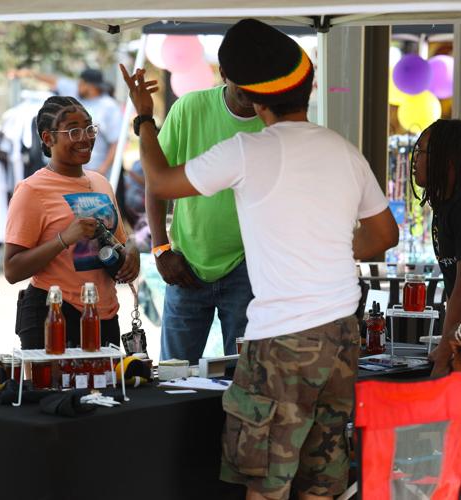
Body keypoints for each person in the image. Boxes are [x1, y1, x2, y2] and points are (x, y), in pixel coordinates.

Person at [121, 18, 398, 500]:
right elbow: (383, 235)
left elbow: (161, 182)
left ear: (250, 97)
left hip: (282, 341)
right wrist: (327, 251)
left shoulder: (250, 151)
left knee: (266, 484)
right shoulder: (343, 149)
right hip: (341, 335)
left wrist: (144, 117)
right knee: (322, 484)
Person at [147, 48, 265, 365]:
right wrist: (160, 248)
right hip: (186, 262)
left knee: (244, 376)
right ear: (224, 74)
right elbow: (155, 181)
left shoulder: (274, 122)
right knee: (174, 374)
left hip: (248, 268)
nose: (250, 90)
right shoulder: (190, 108)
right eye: (242, 80)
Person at [4, 96, 139, 350]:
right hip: (54, 315)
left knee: (105, 389)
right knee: (56, 391)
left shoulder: (100, 182)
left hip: (105, 316)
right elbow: (12, 270)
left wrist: (131, 250)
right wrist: (64, 238)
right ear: (48, 138)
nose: (85, 138)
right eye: (73, 131)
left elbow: (119, 241)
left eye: (89, 128)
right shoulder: (31, 190)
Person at [411, 119, 461, 377]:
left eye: (421, 152)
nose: (415, 160)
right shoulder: (444, 207)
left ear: (447, 158)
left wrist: (445, 350)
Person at [15, 68, 122, 177]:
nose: (78, 85)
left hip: (94, 171)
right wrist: (29, 72)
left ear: (90, 85)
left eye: (81, 83)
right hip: (68, 171)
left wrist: (102, 169)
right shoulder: (74, 92)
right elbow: (54, 81)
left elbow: (116, 142)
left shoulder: (109, 107)